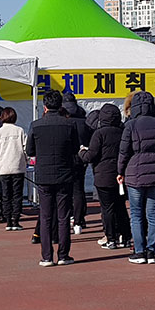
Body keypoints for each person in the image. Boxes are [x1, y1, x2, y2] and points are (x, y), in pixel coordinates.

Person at [118, 91, 155, 265]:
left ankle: (139, 251)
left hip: (135, 172)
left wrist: (120, 171)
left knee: (136, 214)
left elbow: (123, 151)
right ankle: (152, 251)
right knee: (153, 214)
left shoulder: (130, 125)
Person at [26, 90, 80, 267]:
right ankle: (64, 255)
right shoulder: (69, 125)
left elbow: (30, 151)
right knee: (63, 217)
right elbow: (74, 149)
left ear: (45, 106)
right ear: (61, 105)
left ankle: (47, 256)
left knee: (46, 216)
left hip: (44, 176)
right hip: (64, 174)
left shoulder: (35, 125)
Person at [80, 104, 130, 250]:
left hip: (103, 176)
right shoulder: (123, 131)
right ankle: (125, 237)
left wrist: (81, 152)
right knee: (121, 207)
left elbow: (91, 155)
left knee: (107, 209)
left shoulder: (99, 133)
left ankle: (111, 238)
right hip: (120, 175)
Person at [0, 107, 27, 230]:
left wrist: (0, 158)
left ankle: (8, 221)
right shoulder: (20, 131)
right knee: (17, 194)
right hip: (18, 167)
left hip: (4, 168)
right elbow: (26, 149)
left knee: (6, 195)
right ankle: (15, 220)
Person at [62, 91, 91, 234]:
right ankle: (80, 221)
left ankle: (68, 218)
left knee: (65, 191)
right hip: (81, 159)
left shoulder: (63, 122)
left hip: (65, 160)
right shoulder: (84, 121)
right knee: (79, 190)